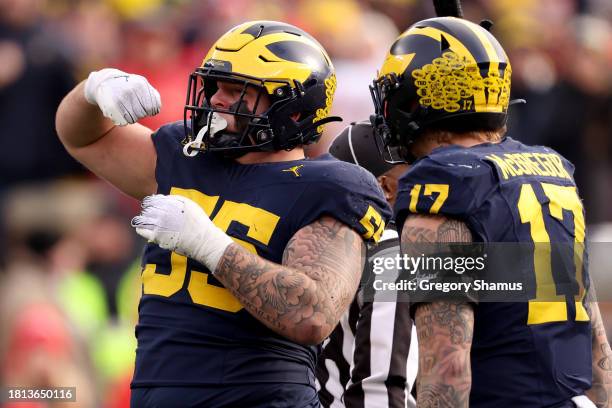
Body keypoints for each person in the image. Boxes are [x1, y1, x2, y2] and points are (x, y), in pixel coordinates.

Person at [55, 20, 391, 407]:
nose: (215, 99)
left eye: (237, 91)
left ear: (293, 111)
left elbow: (312, 315)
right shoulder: (186, 156)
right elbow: (81, 136)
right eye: (216, 86)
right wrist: (93, 90)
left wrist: (211, 245)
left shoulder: (327, 185)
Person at [369, 16, 611, 407]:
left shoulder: (444, 188)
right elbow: (595, 337)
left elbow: (447, 374)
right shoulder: (551, 173)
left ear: (417, 100)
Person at [317, 120, 417, 408]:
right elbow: (380, 389)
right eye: (415, 169)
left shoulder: (314, 235)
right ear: (385, 186)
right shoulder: (389, 253)